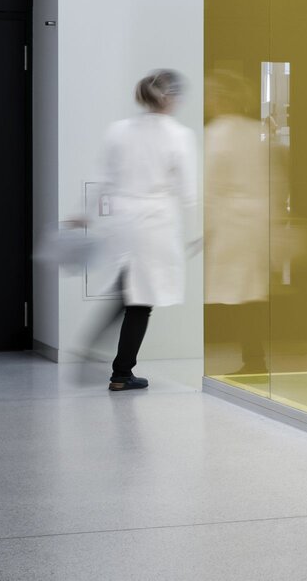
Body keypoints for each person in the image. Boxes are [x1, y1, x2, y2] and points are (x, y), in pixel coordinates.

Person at [102, 69, 198, 392]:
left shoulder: (120, 130)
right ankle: (120, 372)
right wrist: (198, 228)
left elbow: (108, 178)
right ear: (171, 98)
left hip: (123, 223)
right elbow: (188, 191)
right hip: (155, 225)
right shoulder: (178, 135)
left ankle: (118, 367)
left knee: (132, 293)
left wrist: (86, 213)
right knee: (140, 302)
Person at [203, 69, 271, 375]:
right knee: (248, 293)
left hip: (229, 224)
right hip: (255, 222)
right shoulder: (256, 131)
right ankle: (254, 358)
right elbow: (272, 179)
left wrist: (201, 229)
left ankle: (253, 360)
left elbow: (209, 187)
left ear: (220, 97)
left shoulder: (217, 133)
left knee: (236, 293)